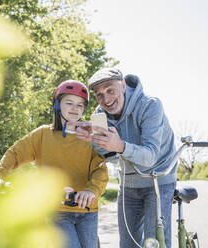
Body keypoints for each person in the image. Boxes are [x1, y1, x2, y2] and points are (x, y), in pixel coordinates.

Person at [0, 80, 109, 248]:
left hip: (88, 210)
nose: (75, 108)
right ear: (57, 104)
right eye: (69, 103)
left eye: (80, 105)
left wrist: (92, 190)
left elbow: (100, 169)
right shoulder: (42, 135)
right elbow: (15, 153)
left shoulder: (89, 137)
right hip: (57, 210)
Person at [74, 67, 177, 248]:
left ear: (122, 85)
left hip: (158, 180)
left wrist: (120, 146)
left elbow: (150, 156)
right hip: (129, 183)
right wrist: (92, 139)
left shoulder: (150, 105)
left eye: (110, 90)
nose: (106, 99)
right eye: (99, 95)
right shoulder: (99, 114)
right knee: (128, 243)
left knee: (154, 242)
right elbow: (108, 156)